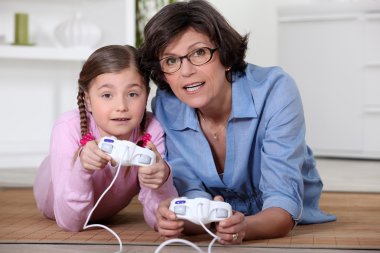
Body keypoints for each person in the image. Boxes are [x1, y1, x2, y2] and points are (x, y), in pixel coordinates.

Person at [139, 0, 336, 245]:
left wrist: (245, 227)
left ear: (226, 55)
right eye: (171, 61)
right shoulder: (167, 106)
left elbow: (282, 203)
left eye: (199, 52)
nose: (185, 71)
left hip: (280, 214)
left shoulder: (276, 90)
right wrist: (176, 216)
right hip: (219, 218)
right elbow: (192, 193)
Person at [33, 45, 178, 232]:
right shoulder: (68, 127)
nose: (121, 106)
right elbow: (70, 222)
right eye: (107, 95)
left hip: (106, 211)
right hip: (54, 194)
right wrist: (82, 167)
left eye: (133, 94)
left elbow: (157, 215)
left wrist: (162, 179)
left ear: (146, 95)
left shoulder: (152, 130)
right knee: (63, 163)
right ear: (88, 100)